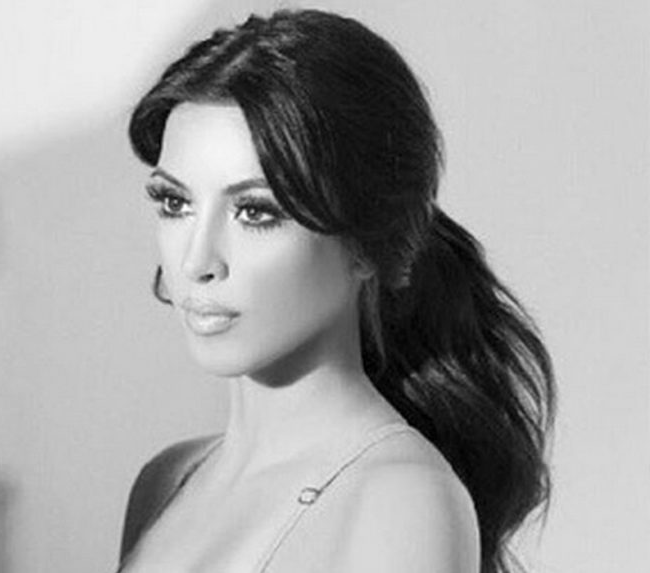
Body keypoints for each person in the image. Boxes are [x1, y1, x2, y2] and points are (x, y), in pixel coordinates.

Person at [117, 9, 554, 573]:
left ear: (366, 245)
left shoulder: (401, 501)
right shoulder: (167, 481)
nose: (196, 261)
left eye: (255, 212)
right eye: (175, 203)